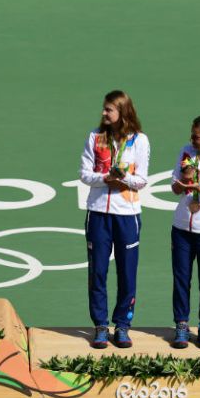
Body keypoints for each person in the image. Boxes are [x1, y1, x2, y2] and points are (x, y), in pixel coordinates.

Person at [79, 90, 150, 348]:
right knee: (97, 271)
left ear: (122, 111)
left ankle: (122, 325)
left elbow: (141, 180)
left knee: (127, 272)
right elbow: (84, 174)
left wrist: (123, 178)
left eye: (109, 109)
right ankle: (100, 325)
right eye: (104, 108)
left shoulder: (139, 141)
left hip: (127, 215)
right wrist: (105, 179)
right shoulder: (95, 137)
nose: (103, 113)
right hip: (98, 213)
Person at [170, 114, 200, 349]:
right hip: (181, 228)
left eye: (197, 136)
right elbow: (174, 188)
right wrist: (182, 183)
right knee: (181, 280)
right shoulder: (186, 152)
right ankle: (181, 325)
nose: (192, 139)